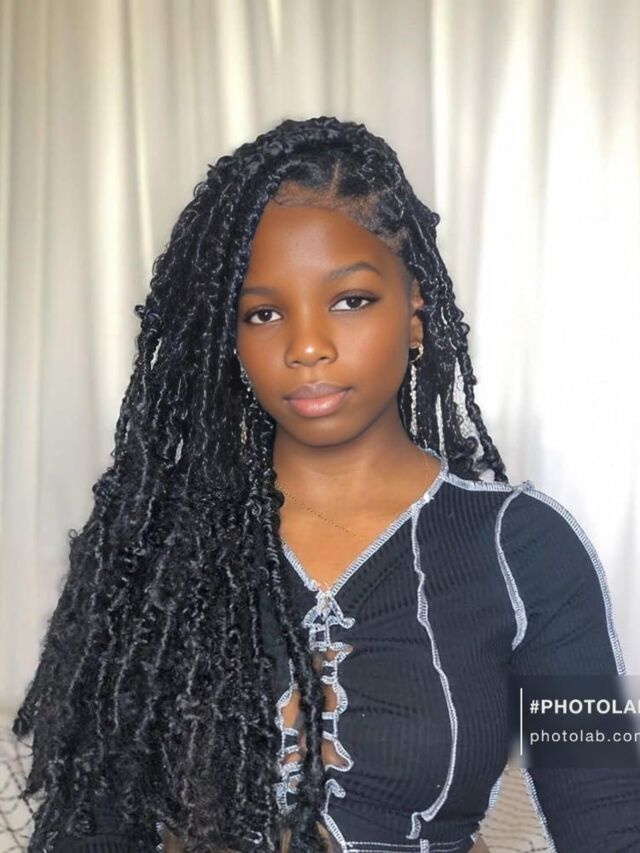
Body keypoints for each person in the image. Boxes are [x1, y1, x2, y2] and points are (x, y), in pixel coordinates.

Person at [9, 116, 640, 853]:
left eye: (350, 300)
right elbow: (92, 826)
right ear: (230, 340)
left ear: (414, 313)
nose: (307, 345)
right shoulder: (158, 549)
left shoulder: (526, 547)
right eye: (264, 312)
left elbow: (606, 808)